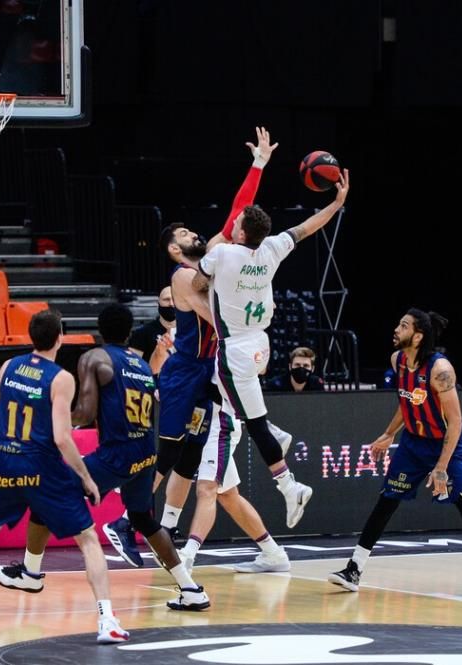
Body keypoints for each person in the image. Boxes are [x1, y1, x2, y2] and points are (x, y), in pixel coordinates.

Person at [103, 127, 292, 565]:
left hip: (209, 370)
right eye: (185, 232)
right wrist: (255, 310)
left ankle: (164, 529)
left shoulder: (216, 257)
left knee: (191, 457)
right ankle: (126, 521)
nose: (194, 233)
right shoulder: (184, 277)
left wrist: (259, 164)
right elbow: (223, 318)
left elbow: (239, 215)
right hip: (187, 370)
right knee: (168, 452)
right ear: (175, 248)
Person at [0, 304, 210, 611]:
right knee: (143, 519)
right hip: (145, 454)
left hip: (116, 454)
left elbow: (85, 413)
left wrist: (50, 415)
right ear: (130, 332)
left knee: (49, 495)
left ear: (99, 331)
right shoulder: (141, 364)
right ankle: (190, 588)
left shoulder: (95, 357)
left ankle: (30, 572)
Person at [0, 309, 130, 643]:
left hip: (6, 462)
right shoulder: (61, 378)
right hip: (43, 468)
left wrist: (12, 447)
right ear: (60, 337)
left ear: (31, 336)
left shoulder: (9, 367)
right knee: (88, 539)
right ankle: (107, 620)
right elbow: (62, 439)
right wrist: (86, 477)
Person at [191, 169, 350, 528]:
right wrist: (337, 203)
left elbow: (198, 281)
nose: (234, 222)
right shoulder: (273, 247)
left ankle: (289, 486)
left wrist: (206, 282)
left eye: (238, 221)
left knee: (250, 422)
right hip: (261, 344)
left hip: (234, 351)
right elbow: (309, 227)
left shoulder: (223, 254)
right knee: (225, 398)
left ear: (242, 232)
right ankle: (275, 432)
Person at [327, 309, 462, 598]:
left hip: (447, 446)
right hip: (414, 444)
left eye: (403, 325)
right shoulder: (398, 360)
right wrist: (390, 433)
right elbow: (407, 404)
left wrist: (441, 467)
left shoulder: (441, 370)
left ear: (418, 336)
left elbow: (456, 422)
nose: (396, 329)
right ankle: (354, 569)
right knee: (386, 501)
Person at [177, 402, 292, 573]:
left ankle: (187, 556)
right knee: (229, 496)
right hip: (202, 420)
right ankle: (273, 554)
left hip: (219, 422)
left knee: (207, 488)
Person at [127, 286, 176, 376]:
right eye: (166, 299)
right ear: (158, 303)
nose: (171, 304)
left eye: (174, 299)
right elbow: (132, 366)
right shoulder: (142, 333)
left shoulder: (190, 332)